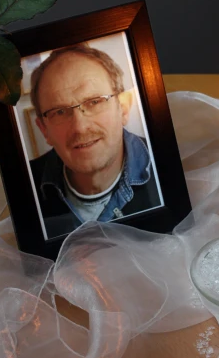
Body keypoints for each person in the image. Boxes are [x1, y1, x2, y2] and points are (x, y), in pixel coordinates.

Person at [28, 43, 161, 238]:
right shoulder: (25, 187)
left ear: (123, 108)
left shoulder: (167, 163)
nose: (80, 127)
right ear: (44, 130)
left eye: (94, 102)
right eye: (60, 112)